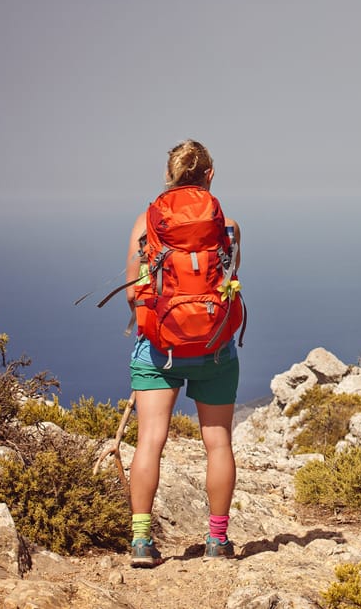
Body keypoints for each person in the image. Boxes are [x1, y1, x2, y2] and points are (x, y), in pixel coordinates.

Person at [124, 140, 241, 567]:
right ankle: (217, 541)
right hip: (214, 348)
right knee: (218, 442)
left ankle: (141, 543)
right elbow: (228, 281)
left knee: (150, 441)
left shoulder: (146, 223)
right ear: (209, 175)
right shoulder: (228, 226)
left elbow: (135, 293)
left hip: (159, 347)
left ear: (170, 175)